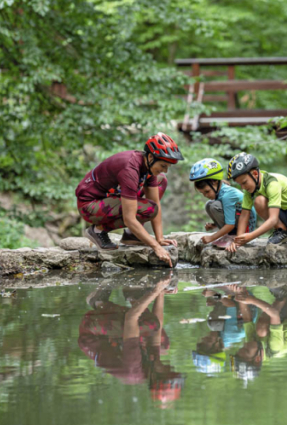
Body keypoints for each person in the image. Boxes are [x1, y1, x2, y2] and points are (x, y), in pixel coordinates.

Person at [75, 133, 184, 267]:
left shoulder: (148, 167)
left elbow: (155, 203)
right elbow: (129, 218)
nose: (165, 170)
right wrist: (156, 247)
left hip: (110, 197)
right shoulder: (130, 169)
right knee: (148, 209)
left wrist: (160, 239)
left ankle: (131, 235)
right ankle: (98, 230)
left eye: (168, 167)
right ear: (150, 157)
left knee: (161, 182)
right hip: (89, 206)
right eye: (163, 166)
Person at [78, 272, 184, 407]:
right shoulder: (152, 364)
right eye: (173, 370)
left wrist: (155, 290)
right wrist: (160, 293)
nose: (171, 366)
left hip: (92, 332)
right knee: (161, 341)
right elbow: (158, 328)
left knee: (149, 324)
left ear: (155, 377)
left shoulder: (133, 368)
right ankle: (133, 294)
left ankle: (99, 302)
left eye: (168, 371)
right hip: (113, 338)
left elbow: (131, 318)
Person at [226, 152, 287, 252]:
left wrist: (250, 236)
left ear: (255, 174)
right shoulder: (249, 189)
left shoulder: (272, 183)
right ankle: (282, 231)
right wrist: (238, 241)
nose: (243, 187)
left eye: (244, 182)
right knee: (259, 201)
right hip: (280, 214)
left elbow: (272, 219)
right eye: (240, 184)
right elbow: (244, 215)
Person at [231, 285, 287, 381]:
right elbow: (274, 315)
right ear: (258, 358)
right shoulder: (274, 348)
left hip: (282, 311)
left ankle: (282, 297)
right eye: (246, 350)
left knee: (261, 330)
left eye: (241, 348)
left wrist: (239, 293)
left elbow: (246, 318)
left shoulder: (251, 344)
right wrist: (253, 300)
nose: (244, 344)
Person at [189, 158, 257, 249]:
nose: (205, 195)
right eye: (203, 193)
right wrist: (214, 225)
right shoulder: (221, 192)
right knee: (209, 204)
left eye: (207, 191)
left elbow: (230, 224)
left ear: (215, 182)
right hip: (237, 220)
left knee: (213, 205)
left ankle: (232, 236)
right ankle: (229, 234)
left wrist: (211, 238)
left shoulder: (227, 195)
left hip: (246, 226)